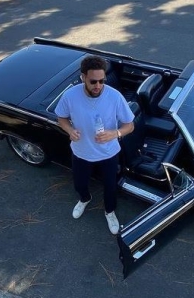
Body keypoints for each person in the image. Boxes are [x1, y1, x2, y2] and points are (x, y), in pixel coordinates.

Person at [55, 55, 134, 235]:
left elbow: (130, 125)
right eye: (93, 81)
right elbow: (61, 117)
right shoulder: (70, 96)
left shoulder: (114, 97)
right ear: (83, 77)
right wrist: (69, 130)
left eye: (101, 80)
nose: (98, 86)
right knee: (80, 183)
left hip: (108, 153)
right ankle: (85, 199)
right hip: (81, 152)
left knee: (110, 186)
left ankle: (110, 211)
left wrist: (115, 133)